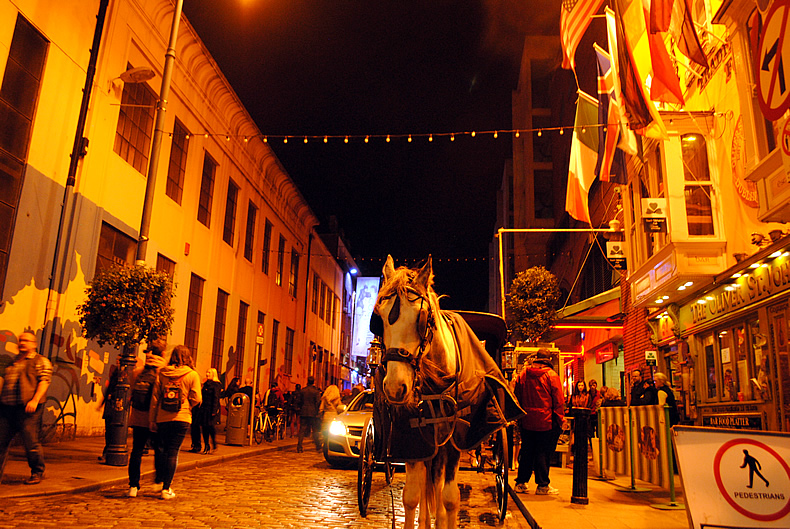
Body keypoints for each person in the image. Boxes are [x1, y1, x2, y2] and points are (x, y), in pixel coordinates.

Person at [149, 345, 201, 500]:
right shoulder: (192, 374)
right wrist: (187, 405)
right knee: (173, 452)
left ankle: (159, 480)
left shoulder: (162, 373)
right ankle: (166, 488)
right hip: (182, 418)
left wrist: (152, 418)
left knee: (162, 450)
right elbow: (197, 397)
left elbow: (155, 398)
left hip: (163, 417)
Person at [0, 332, 52, 485]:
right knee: (1, 442)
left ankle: (37, 471)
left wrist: (35, 399)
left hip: (27, 408)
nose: (22, 343)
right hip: (7, 407)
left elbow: (44, 381)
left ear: (33, 344)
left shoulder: (40, 361)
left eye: (26, 341)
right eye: (20, 340)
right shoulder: (14, 362)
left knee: (30, 442)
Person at [512, 348, 565, 495]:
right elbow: (558, 400)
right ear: (549, 359)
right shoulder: (551, 375)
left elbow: (517, 395)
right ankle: (542, 485)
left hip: (527, 419)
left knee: (527, 451)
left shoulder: (524, 374)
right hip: (546, 420)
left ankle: (521, 482)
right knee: (543, 452)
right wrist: (560, 419)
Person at [126, 339, 167, 497]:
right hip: (156, 419)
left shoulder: (138, 372)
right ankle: (158, 481)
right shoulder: (163, 372)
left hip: (138, 418)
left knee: (136, 451)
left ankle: (133, 486)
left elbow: (131, 392)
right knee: (159, 450)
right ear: (163, 354)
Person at [98, 357, 121, 462]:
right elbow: (109, 389)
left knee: (113, 431)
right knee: (109, 431)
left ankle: (107, 453)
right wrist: (102, 403)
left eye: (119, 361)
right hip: (110, 405)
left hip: (117, 406)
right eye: (117, 360)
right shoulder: (116, 372)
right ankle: (106, 453)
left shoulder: (127, 374)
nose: (117, 362)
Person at [201, 368, 223, 454]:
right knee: (204, 427)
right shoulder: (205, 384)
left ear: (213, 374)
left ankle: (214, 443)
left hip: (211, 409)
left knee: (210, 427)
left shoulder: (216, 385)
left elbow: (216, 398)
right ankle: (206, 445)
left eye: (209, 372)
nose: (207, 374)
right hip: (204, 408)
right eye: (207, 372)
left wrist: (214, 410)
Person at [297, 376, 321, 453]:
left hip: (304, 411)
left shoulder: (303, 391)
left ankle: (299, 446)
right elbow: (318, 402)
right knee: (314, 430)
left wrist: (300, 408)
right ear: (313, 381)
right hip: (312, 412)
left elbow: (299, 401)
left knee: (302, 430)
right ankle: (318, 446)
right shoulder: (315, 391)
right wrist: (317, 412)